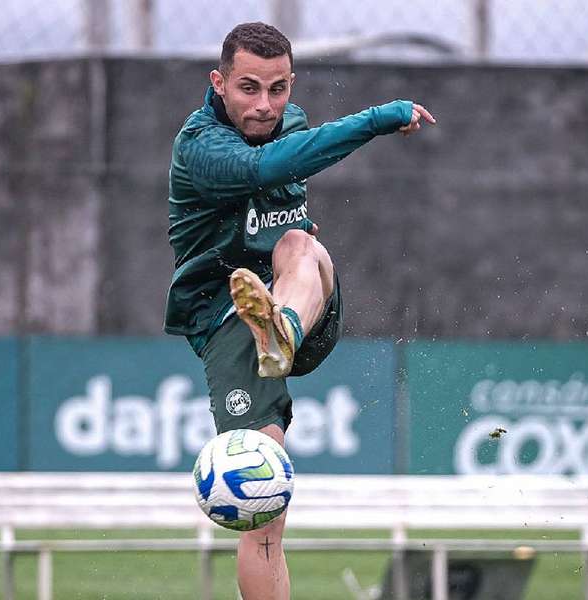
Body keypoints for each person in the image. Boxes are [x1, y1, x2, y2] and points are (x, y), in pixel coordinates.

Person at [164, 22, 435, 600]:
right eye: (248, 88)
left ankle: (280, 327)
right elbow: (265, 170)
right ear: (218, 83)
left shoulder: (293, 121)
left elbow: (289, 191)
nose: (266, 105)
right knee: (265, 507)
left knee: (300, 246)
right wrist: (382, 116)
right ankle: (268, 329)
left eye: (279, 88)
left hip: (305, 305)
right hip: (228, 323)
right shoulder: (200, 148)